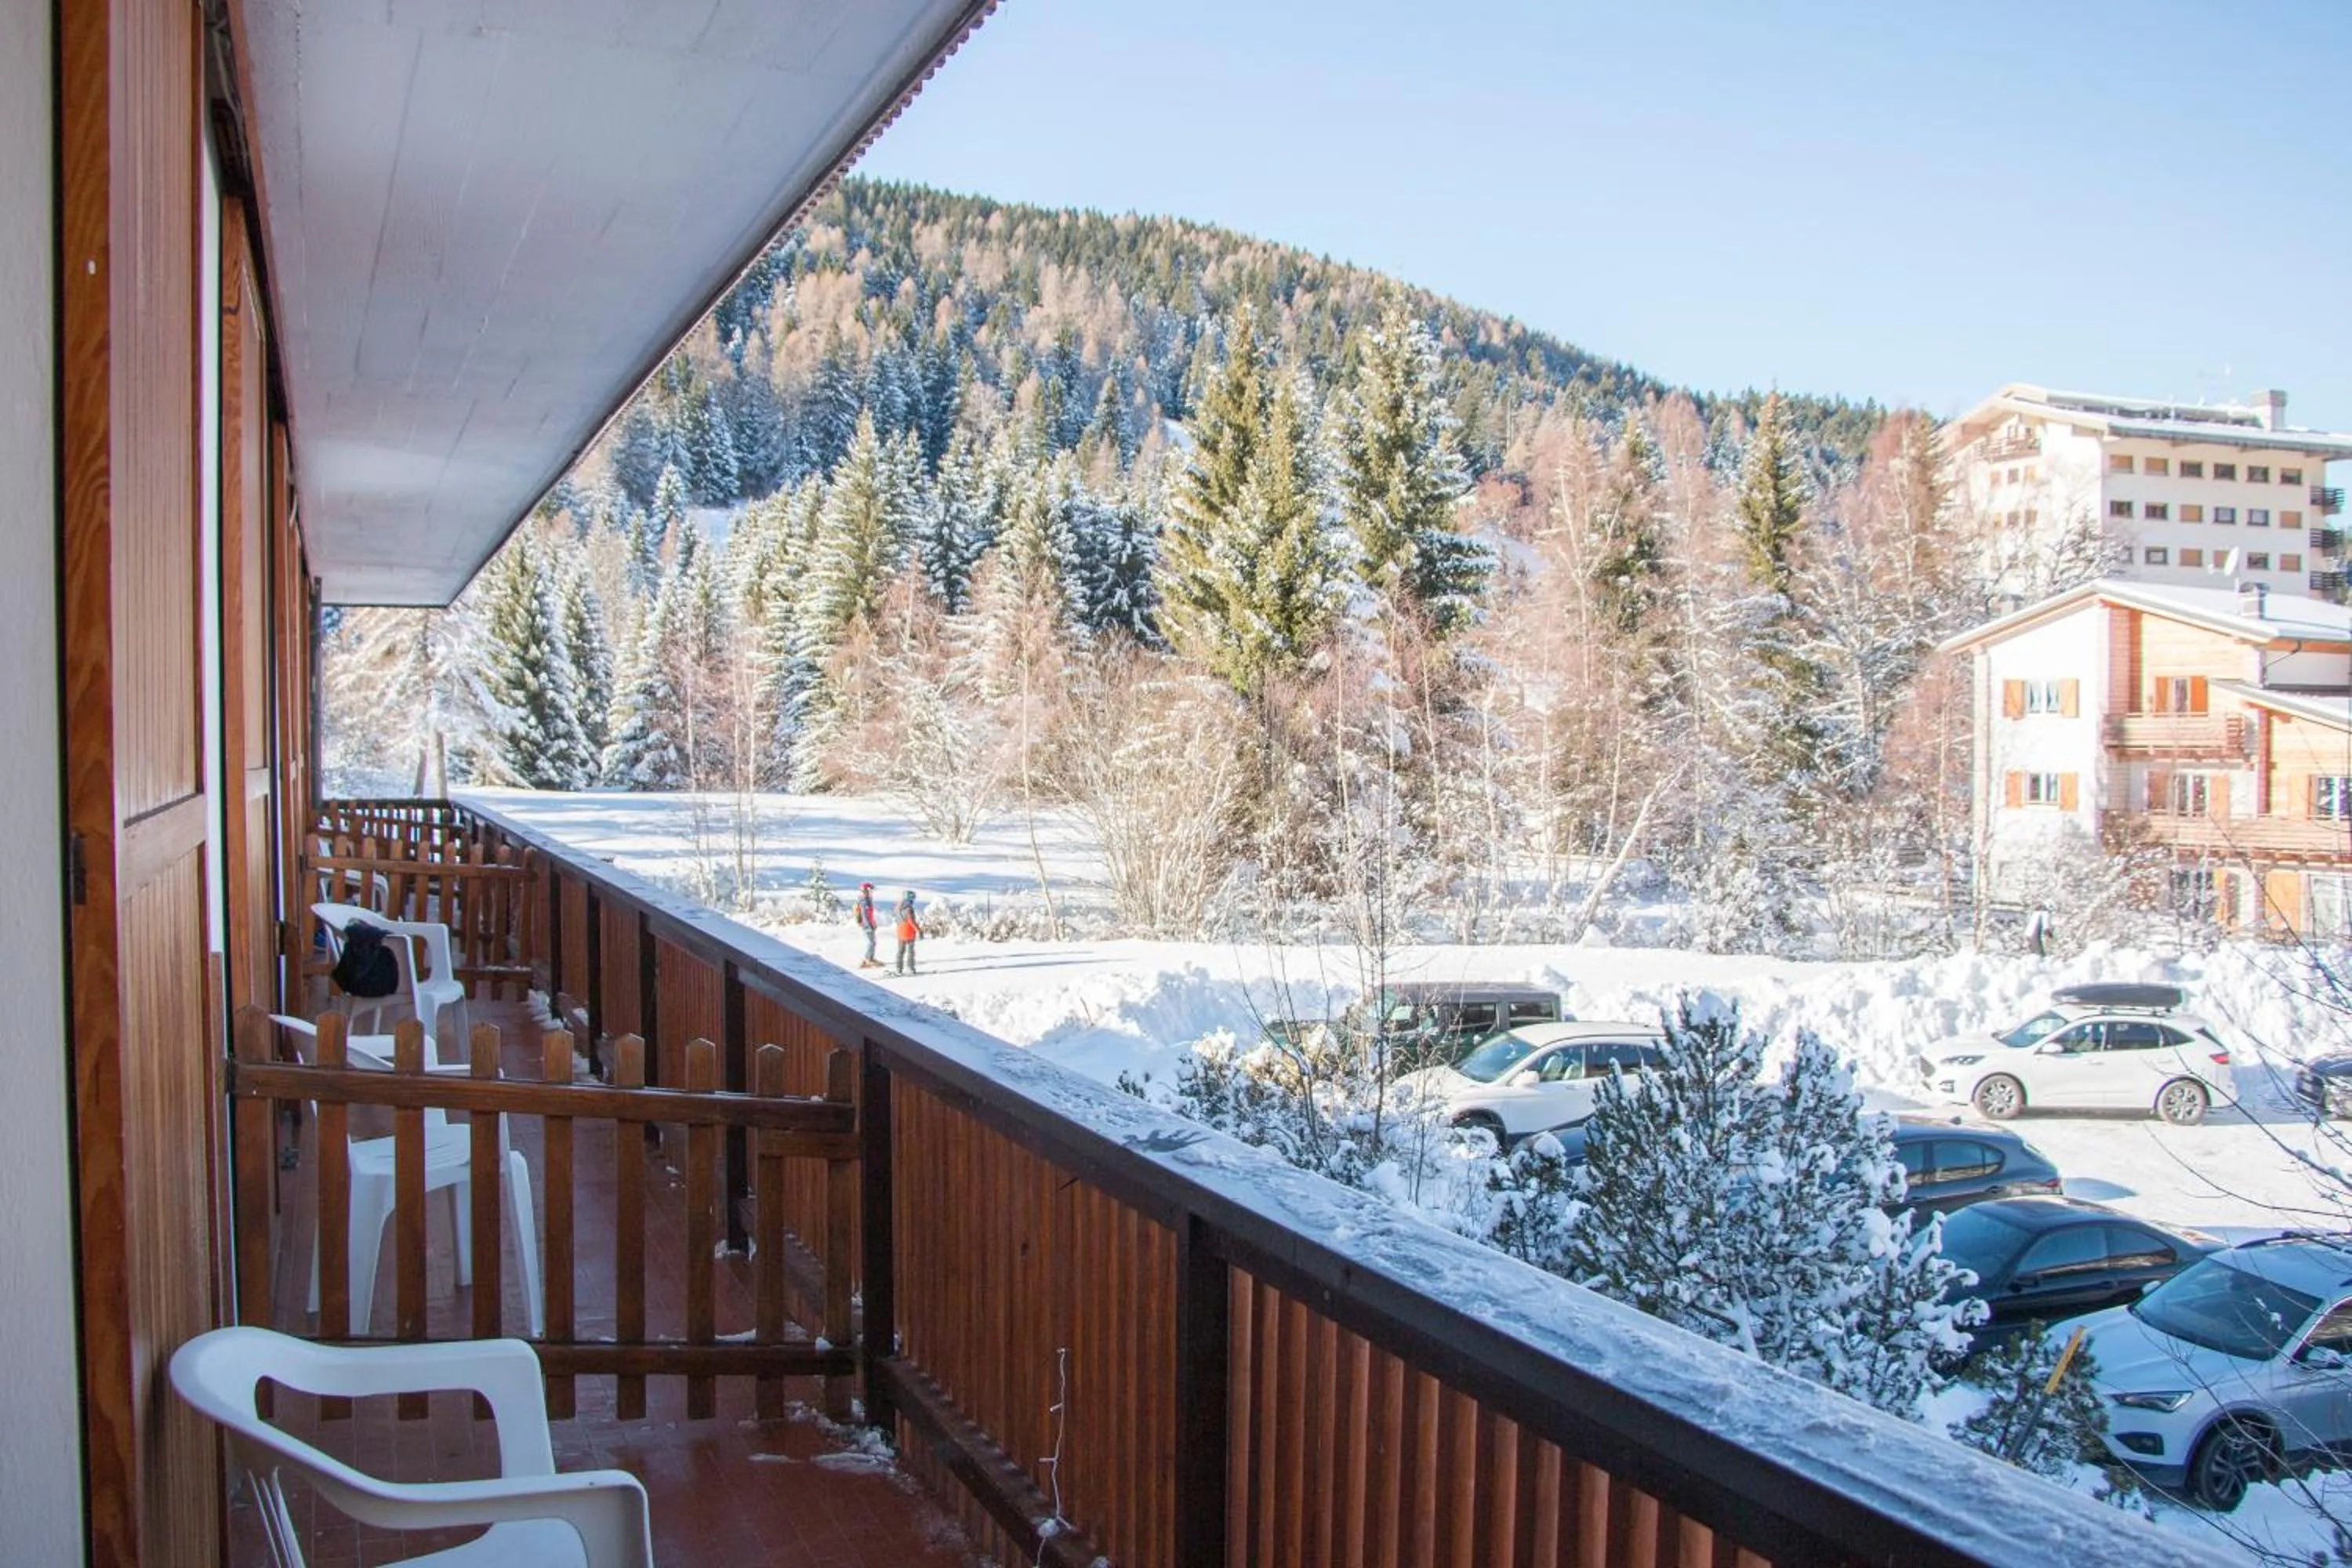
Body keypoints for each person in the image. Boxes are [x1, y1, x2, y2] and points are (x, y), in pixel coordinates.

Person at [894, 889, 922, 976]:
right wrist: (919, 931)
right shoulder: (909, 909)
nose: (913, 900)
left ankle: (899, 968)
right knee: (910, 952)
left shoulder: (897, 908)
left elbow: (896, 919)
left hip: (900, 932)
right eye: (913, 898)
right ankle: (910, 968)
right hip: (909, 933)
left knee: (900, 951)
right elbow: (911, 921)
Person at [854, 882, 880, 969]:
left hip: (869, 924)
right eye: (871, 890)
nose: (872, 892)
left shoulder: (868, 900)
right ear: (866, 891)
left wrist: (874, 922)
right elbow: (865, 915)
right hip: (867, 925)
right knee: (871, 942)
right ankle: (867, 959)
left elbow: (870, 915)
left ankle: (871, 958)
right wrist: (869, 925)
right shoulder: (864, 902)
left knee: (873, 942)